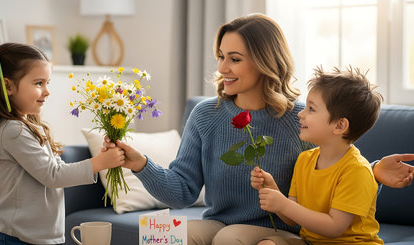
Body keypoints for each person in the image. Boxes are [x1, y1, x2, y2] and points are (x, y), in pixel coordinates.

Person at [104, 14, 414, 244]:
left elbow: (336, 166)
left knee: (229, 239)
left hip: (283, 228)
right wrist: (141, 165)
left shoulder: (302, 119)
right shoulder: (205, 115)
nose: (223, 68)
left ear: (265, 61)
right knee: (160, 233)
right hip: (220, 223)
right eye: (221, 57)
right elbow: (182, 192)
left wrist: (372, 171)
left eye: (235, 59)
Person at [0, 43, 125, 245]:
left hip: (40, 239)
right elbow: (53, 176)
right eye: (38, 83)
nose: (47, 91)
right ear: (8, 86)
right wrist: (100, 162)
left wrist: (99, 159)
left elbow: (57, 168)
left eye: (47, 83)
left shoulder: (28, 127)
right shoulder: (13, 131)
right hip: (17, 240)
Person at [251, 67, 385, 244]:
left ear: (339, 126)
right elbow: (292, 219)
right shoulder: (304, 160)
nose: (301, 114)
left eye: (311, 109)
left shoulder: (357, 171)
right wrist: (273, 191)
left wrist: (283, 204)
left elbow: (334, 228)